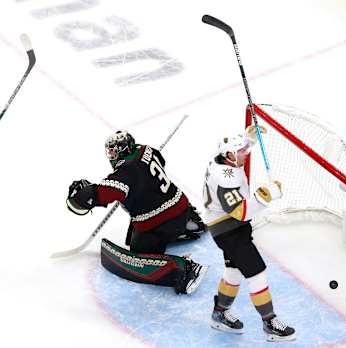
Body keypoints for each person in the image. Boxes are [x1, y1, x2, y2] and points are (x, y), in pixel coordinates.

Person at [66, 130, 207, 294]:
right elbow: (160, 159)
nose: (110, 155)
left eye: (113, 151)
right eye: (109, 151)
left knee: (138, 251)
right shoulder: (145, 149)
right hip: (181, 206)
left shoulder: (126, 172)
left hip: (160, 222)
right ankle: (190, 222)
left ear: (123, 150)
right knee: (146, 211)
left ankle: (185, 270)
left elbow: (103, 193)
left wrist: (83, 194)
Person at [202, 125, 296, 341]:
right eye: (242, 151)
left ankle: (219, 313)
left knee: (234, 272)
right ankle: (270, 322)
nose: (246, 153)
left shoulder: (221, 159)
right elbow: (241, 212)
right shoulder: (225, 179)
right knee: (257, 272)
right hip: (229, 230)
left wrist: (248, 139)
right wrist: (267, 194)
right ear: (229, 156)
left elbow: (234, 151)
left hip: (229, 227)